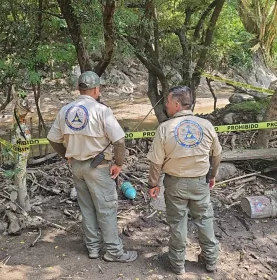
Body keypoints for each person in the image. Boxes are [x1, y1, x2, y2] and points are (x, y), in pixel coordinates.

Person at [47, 71, 137, 263]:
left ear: (78, 89)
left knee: (87, 208)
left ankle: (93, 248)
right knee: (106, 208)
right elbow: (119, 140)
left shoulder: (65, 110)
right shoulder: (101, 110)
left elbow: (52, 138)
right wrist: (118, 164)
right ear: (96, 89)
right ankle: (113, 251)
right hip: (98, 167)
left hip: (77, 167)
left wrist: (67, 156)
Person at [147, 86, 222, 275]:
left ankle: (178, 264)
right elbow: (217, 154)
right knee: (205, 219)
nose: (166, 105)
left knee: (177, 222)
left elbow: (156, 162)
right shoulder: (206, 125)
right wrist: (212, 175)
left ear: (177, 104)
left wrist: (153, 184)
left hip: (175, 184)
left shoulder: (164, 128)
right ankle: (211, 260)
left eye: (168, 102)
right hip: (200, 182)